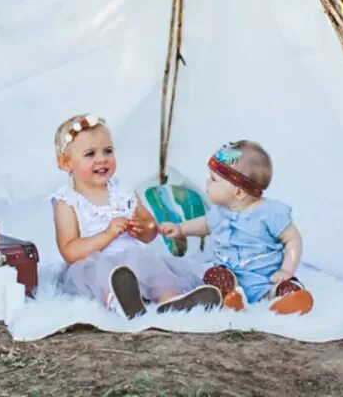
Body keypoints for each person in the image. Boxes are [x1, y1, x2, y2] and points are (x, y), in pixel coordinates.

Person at [51, 114, 222, 318]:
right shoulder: (67, 200)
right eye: (90, 154)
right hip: (94, 264)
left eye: (108, 151)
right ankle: (121, 301)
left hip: (135, 259)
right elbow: (70, 251)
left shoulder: (123, 192)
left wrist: (144, 229)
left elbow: (149, 228)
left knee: (156, 271)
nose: (102, 159)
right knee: (104, 276)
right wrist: (108, 234)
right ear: (65, 162)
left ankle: (172, 301)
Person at [158, 141, 313, 314]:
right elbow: (203, 224)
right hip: (233, 278)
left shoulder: (270, 213)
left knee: (286, 287)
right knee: (215, 275)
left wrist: (286, 269)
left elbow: (292, 239)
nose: (207, 182)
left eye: (213, 179)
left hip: (267, 280)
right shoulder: (220, 212)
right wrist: (180, 229)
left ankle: (288, 299)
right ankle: (231, 297)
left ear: (238, 193)